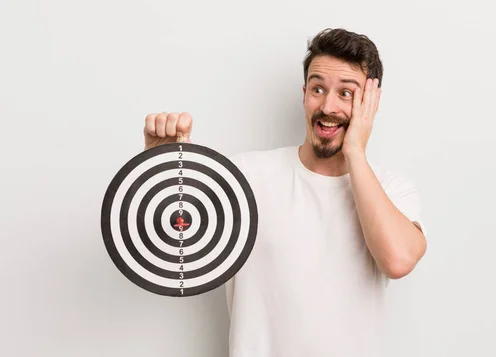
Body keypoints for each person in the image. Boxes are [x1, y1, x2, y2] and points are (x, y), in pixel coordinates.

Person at [143, 28, 427, 357]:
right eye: (318, 89)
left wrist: (356, 154)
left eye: (346, 94)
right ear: (305, 94)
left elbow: (398, 260)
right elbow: (175, 251)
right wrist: (160, 172)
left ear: (370, 105)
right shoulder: (245, 177)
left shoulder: (392, 189)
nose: (328, 106)